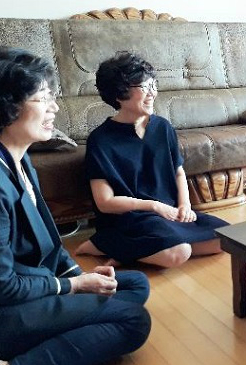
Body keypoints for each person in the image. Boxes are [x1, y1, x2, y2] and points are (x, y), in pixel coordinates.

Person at [0, 47, 151, 365]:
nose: (54, 107)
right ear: (5, 107)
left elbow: (50, 246)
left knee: (135, 284)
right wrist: (73, 286)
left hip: (26, 286)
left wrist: (78, 277)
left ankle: (50, 340)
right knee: (134, 320)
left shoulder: (17, 157)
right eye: (42, 98)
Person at [75, 52, 228, 268]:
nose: (153, 93)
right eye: (144, 87)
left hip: (169, 214)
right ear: (119, 94)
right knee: (180, 251)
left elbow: (178, 172)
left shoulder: (163, 127)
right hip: (130, 219)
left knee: (228, 238)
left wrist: (185, 205)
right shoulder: (100, 140)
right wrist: (154, 207)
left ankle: (124, 250)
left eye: (153, 85)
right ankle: (109, 243)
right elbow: (104, 203)